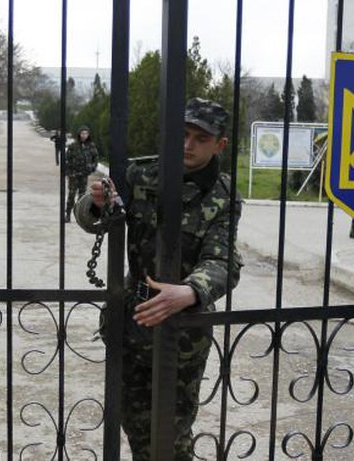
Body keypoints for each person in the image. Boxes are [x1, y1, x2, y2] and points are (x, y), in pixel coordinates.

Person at [74, 98, 243, 460]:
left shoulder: (223, 194)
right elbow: (91, 219)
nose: (187, 145)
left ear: (220, 145)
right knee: (135, 425)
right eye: (181, 134)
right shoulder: (140, 175)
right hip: (130, 320)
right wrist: (98, 203)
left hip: (183, 331)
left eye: (200, 138)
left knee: (171, 433)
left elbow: (224, 258)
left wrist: (191, 291)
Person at [64, 125, 99, 222]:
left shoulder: (91, 146)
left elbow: (95, 159)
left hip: (84, 175)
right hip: (74, 175)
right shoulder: (73, 146)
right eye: (82, 133)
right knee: (71, 194)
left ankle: (79, 216)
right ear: (79, 134)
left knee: (82, 196)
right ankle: (67, 214)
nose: (84, 135)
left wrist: (91, 168)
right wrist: (68, 172)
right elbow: (67, 160)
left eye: (86, 133)